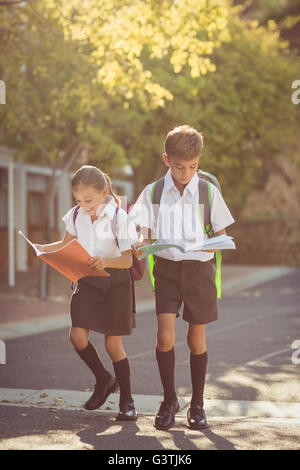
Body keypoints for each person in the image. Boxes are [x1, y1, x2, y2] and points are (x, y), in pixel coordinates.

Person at [131, 125, 235, 430]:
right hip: (166, 270)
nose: (185, 173)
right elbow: (142, 236)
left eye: (193, 166)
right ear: (166, 159)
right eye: (179, 166)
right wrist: (140, 245)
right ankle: (168, 400)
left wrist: (212, 243)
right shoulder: (153, 192)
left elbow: (222, 234)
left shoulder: (207, 191)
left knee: (195, 339)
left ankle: (198, 404)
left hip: (200, 271)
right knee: (164, 337)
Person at [35, 165, 138, 421]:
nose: (83, 205)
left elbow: (127, 261)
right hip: (87, 281)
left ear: (104, 192)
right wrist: (41, 248)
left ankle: (127, 401)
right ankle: (104, 380)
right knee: (77, 336)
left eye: (88, 200)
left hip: (115, 283)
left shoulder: (119, 219)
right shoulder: (76, 215)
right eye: (79, 200)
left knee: (113, 344)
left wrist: (104, 260)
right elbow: (66, 244)